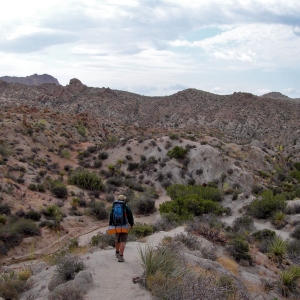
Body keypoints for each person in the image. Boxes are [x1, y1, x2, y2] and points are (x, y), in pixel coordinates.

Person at [108, 195, 134, 262]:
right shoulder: (126, 207)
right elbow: (130, 216)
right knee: (123, 241)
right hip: (124, 226)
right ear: (124, 200)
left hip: (116, 225)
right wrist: (131, 224)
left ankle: (117, 253)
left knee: (117, 240)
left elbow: (111, 215)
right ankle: (121, 257)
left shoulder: (114, 206)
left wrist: (111, 224)